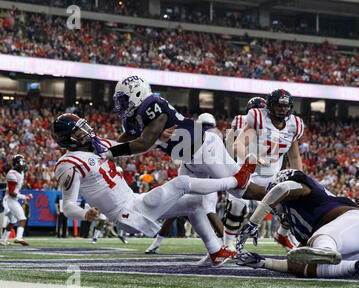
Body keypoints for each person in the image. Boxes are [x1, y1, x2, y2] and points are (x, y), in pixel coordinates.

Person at [51, 113, 256, 266]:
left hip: (134, 201)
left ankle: (216, 251)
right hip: (125, 214)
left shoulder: (99, 146)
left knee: (195, 203)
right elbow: (68, 205)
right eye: (79, 132)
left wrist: (158, 140)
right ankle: (235, 181)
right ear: (67, 139)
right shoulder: (68, 163)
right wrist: (84, 213)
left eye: (84, 127)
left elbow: (130, 148)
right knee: (182, 183)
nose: (86, 133)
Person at [100, 76, 265, 204]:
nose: (121, 105)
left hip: (205, 149)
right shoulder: (134, 117)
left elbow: (144, 143)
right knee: (188, 202)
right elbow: (125, 140)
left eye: (123, 99)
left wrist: (109, 152)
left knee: (241, 190)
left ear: (137, 93)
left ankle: (280, 196)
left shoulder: (152, 106)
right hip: (188, 158)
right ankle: (215, 247)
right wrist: (102, 148)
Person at [235, 169, 359, 281]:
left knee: (319, 241)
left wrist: (253, 222)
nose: (275, 210)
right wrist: (262, 262)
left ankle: (325, 249)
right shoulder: (300, 225)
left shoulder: (303, 190)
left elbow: (282, 189)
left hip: (354, 224)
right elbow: (296, 265)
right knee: (310, 267)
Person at [223, 90, 305, 251]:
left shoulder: (294, 125)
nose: (282, 109)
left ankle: (282, 235)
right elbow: (235, 145)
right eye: (278, 105)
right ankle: (227, 244)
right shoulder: (253, 120)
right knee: (237, 205)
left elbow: (295, 157)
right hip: (248, 172)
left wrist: (299, 179)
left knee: (294, 203)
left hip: (272, 176)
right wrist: (250, 158)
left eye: (285, 105)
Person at [145, 113, 225, 255]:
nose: (207, 129)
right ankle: (156, 243)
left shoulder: (214, 141)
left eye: (209, 127)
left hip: (207, 180)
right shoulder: (192, 137)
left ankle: (227, 245)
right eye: (204, 126)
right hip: (188, 175)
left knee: (209, 210)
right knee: (173, 206)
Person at [0, 155, 32, 246]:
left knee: (12, 221)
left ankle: (3, 240)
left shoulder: (21, 173)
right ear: (16, 164)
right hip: (10, 200)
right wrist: (24, 196)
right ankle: (18, 238)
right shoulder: (12, 174)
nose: (23, 165)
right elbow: (11, 192)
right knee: (22, 219)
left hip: (12, 199)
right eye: (22, 162)